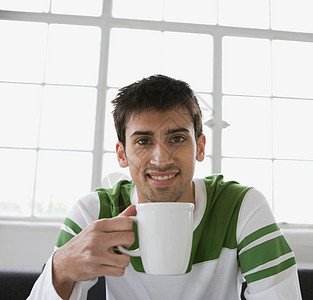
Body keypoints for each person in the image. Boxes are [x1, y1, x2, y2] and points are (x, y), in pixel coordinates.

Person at [28, 74, 302, 300]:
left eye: (177, 138)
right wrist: (61, 267)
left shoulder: (241, 207)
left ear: (200, 147)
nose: (161, 159)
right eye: (143, 141)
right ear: (122, 154)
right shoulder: (95, 212)